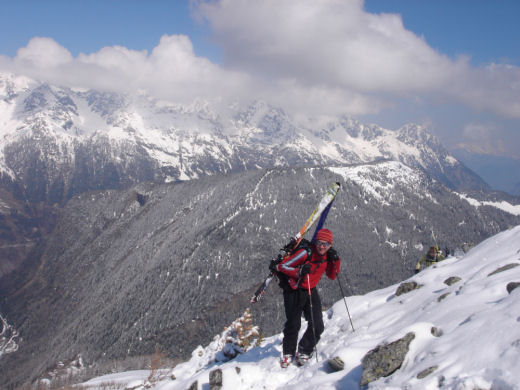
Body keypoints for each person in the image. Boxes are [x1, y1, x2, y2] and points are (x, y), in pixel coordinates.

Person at [273, 228, 341, 368]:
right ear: (316, 242)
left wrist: (336, 260)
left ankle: (304, 350)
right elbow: (282, 266)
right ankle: (288, 353)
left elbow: (332, 276)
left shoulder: (327, 256)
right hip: (294, 290)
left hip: (310, 289)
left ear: (330, 245)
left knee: (317, 324)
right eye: (320, 243)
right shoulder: (305, 253)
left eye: (326, 244)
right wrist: (299, 271)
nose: (322, 247)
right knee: (293, 323)